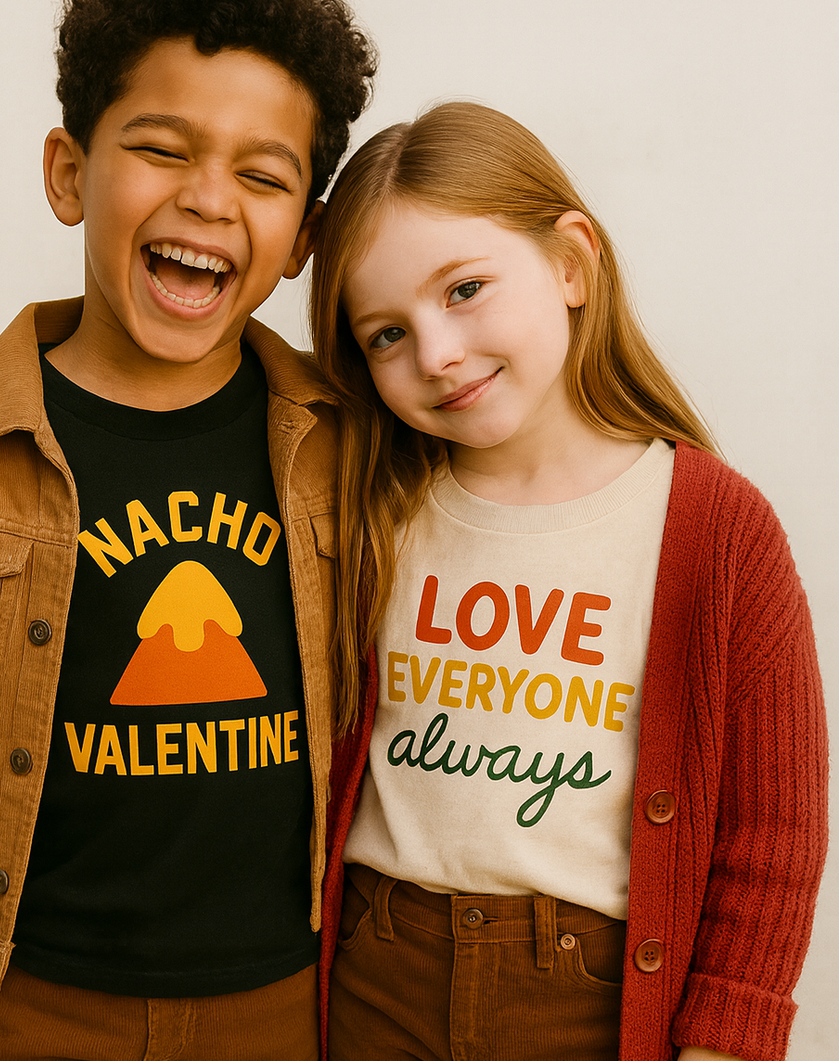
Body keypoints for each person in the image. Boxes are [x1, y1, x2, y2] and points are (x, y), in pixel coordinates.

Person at [0, 2, 376, 1058]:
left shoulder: (347, 446)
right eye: (160, 150)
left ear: (304, 236)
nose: (206, 197)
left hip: (287, 1000)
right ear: (68, 172)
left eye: (262, 174)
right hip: (25, 998)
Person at [310, 102, 828, 1061]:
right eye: (385, 333)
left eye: (464, 289)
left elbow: (774, 838)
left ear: (570, 262)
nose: (437, 353)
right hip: (377, 976)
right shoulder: (371, 506)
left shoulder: (716, 529)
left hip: (587, 1002)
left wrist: (724, 1042)